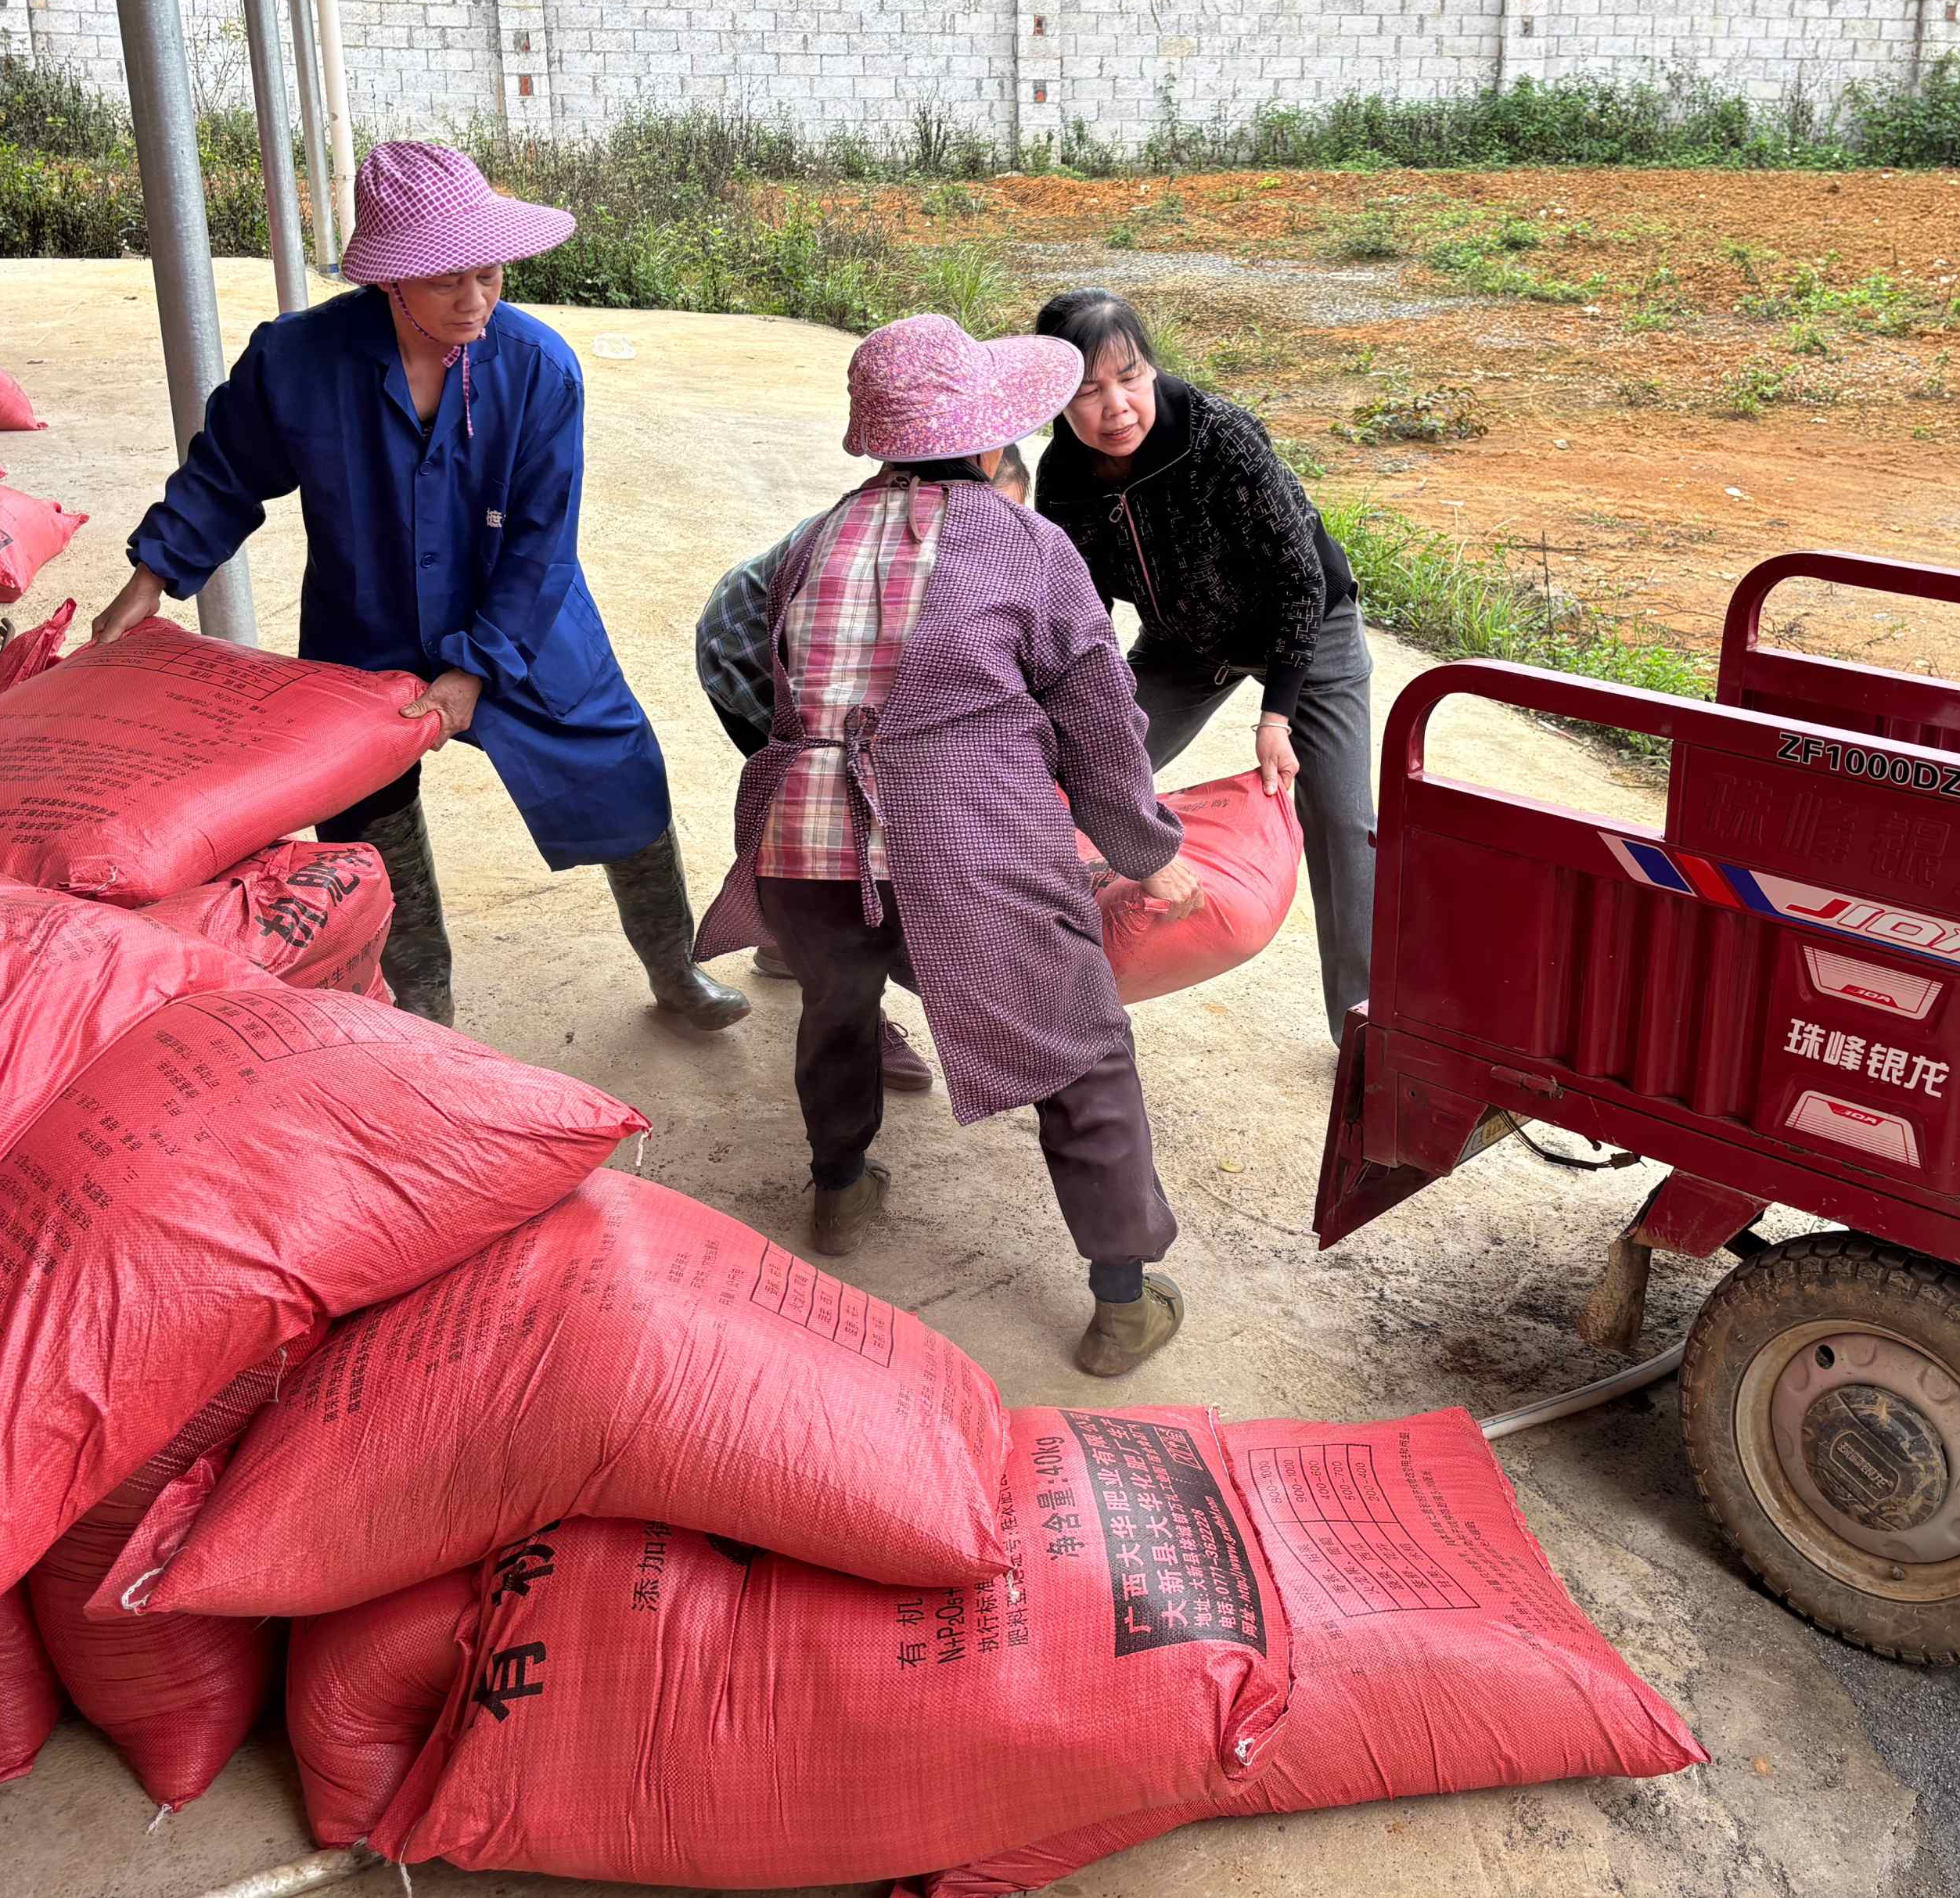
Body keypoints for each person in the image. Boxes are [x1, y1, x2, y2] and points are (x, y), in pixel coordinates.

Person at [92, 139, 746, 1037]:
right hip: (365, 621)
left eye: (490, 274)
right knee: (363, 809)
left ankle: (674, 967)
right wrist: (151, 577)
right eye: (446, 283)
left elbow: (540, 542)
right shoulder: (296, 361)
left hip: (524, 622)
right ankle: (424, 996)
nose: (474, 300)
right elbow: (225, 473)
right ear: (390, 281)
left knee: (617, 769)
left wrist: (475, 671)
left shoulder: (539, 368)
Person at [696, 317, 1202, 1377]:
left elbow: (780, 678)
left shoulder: (817, 536)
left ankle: (840, 1188)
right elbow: (1100, 722)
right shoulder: (1027, 542)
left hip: (801, 839)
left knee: (836, 1010)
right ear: (989, 446)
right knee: (1080, 1045)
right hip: (961, 848)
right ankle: (1122, 1301)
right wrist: (1147, 849)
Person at [1033, 289, 1376, 1042]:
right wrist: (1079, 714)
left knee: (1344, 821)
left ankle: (1365, 1032)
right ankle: (1044, 967)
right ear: (1057, 399)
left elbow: (1300, 578)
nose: (1116, 406)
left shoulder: (1219, 436)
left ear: (1152, 367)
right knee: (1074, 772)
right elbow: (1082, 608)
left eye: (1129, 377)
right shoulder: (1062, 476)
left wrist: (1277, 716)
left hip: (1308, 630)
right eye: (1088, 392)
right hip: (1184, 646)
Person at [693, 448, 1032, 1095]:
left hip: (806, 666)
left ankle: (786, 950)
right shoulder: (867, 545)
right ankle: (854, 1011)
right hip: (752, 659)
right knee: (837, 834)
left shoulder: (975, 548)